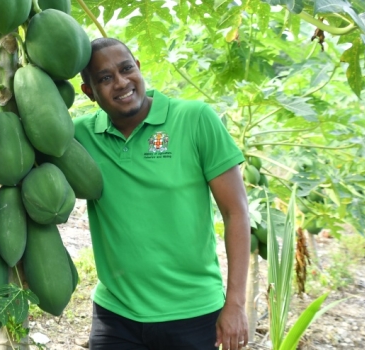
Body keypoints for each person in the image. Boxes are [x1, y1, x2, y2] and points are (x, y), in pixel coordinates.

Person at [74, 38, 251, 350]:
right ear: (88, 92)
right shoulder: (81, 136)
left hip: (193, 312)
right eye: (105, 78)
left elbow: (236, 212)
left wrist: (235, 304)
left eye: (127, 69)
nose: (121, 83)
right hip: (115, 315)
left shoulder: (196, 119)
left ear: (139, 68)